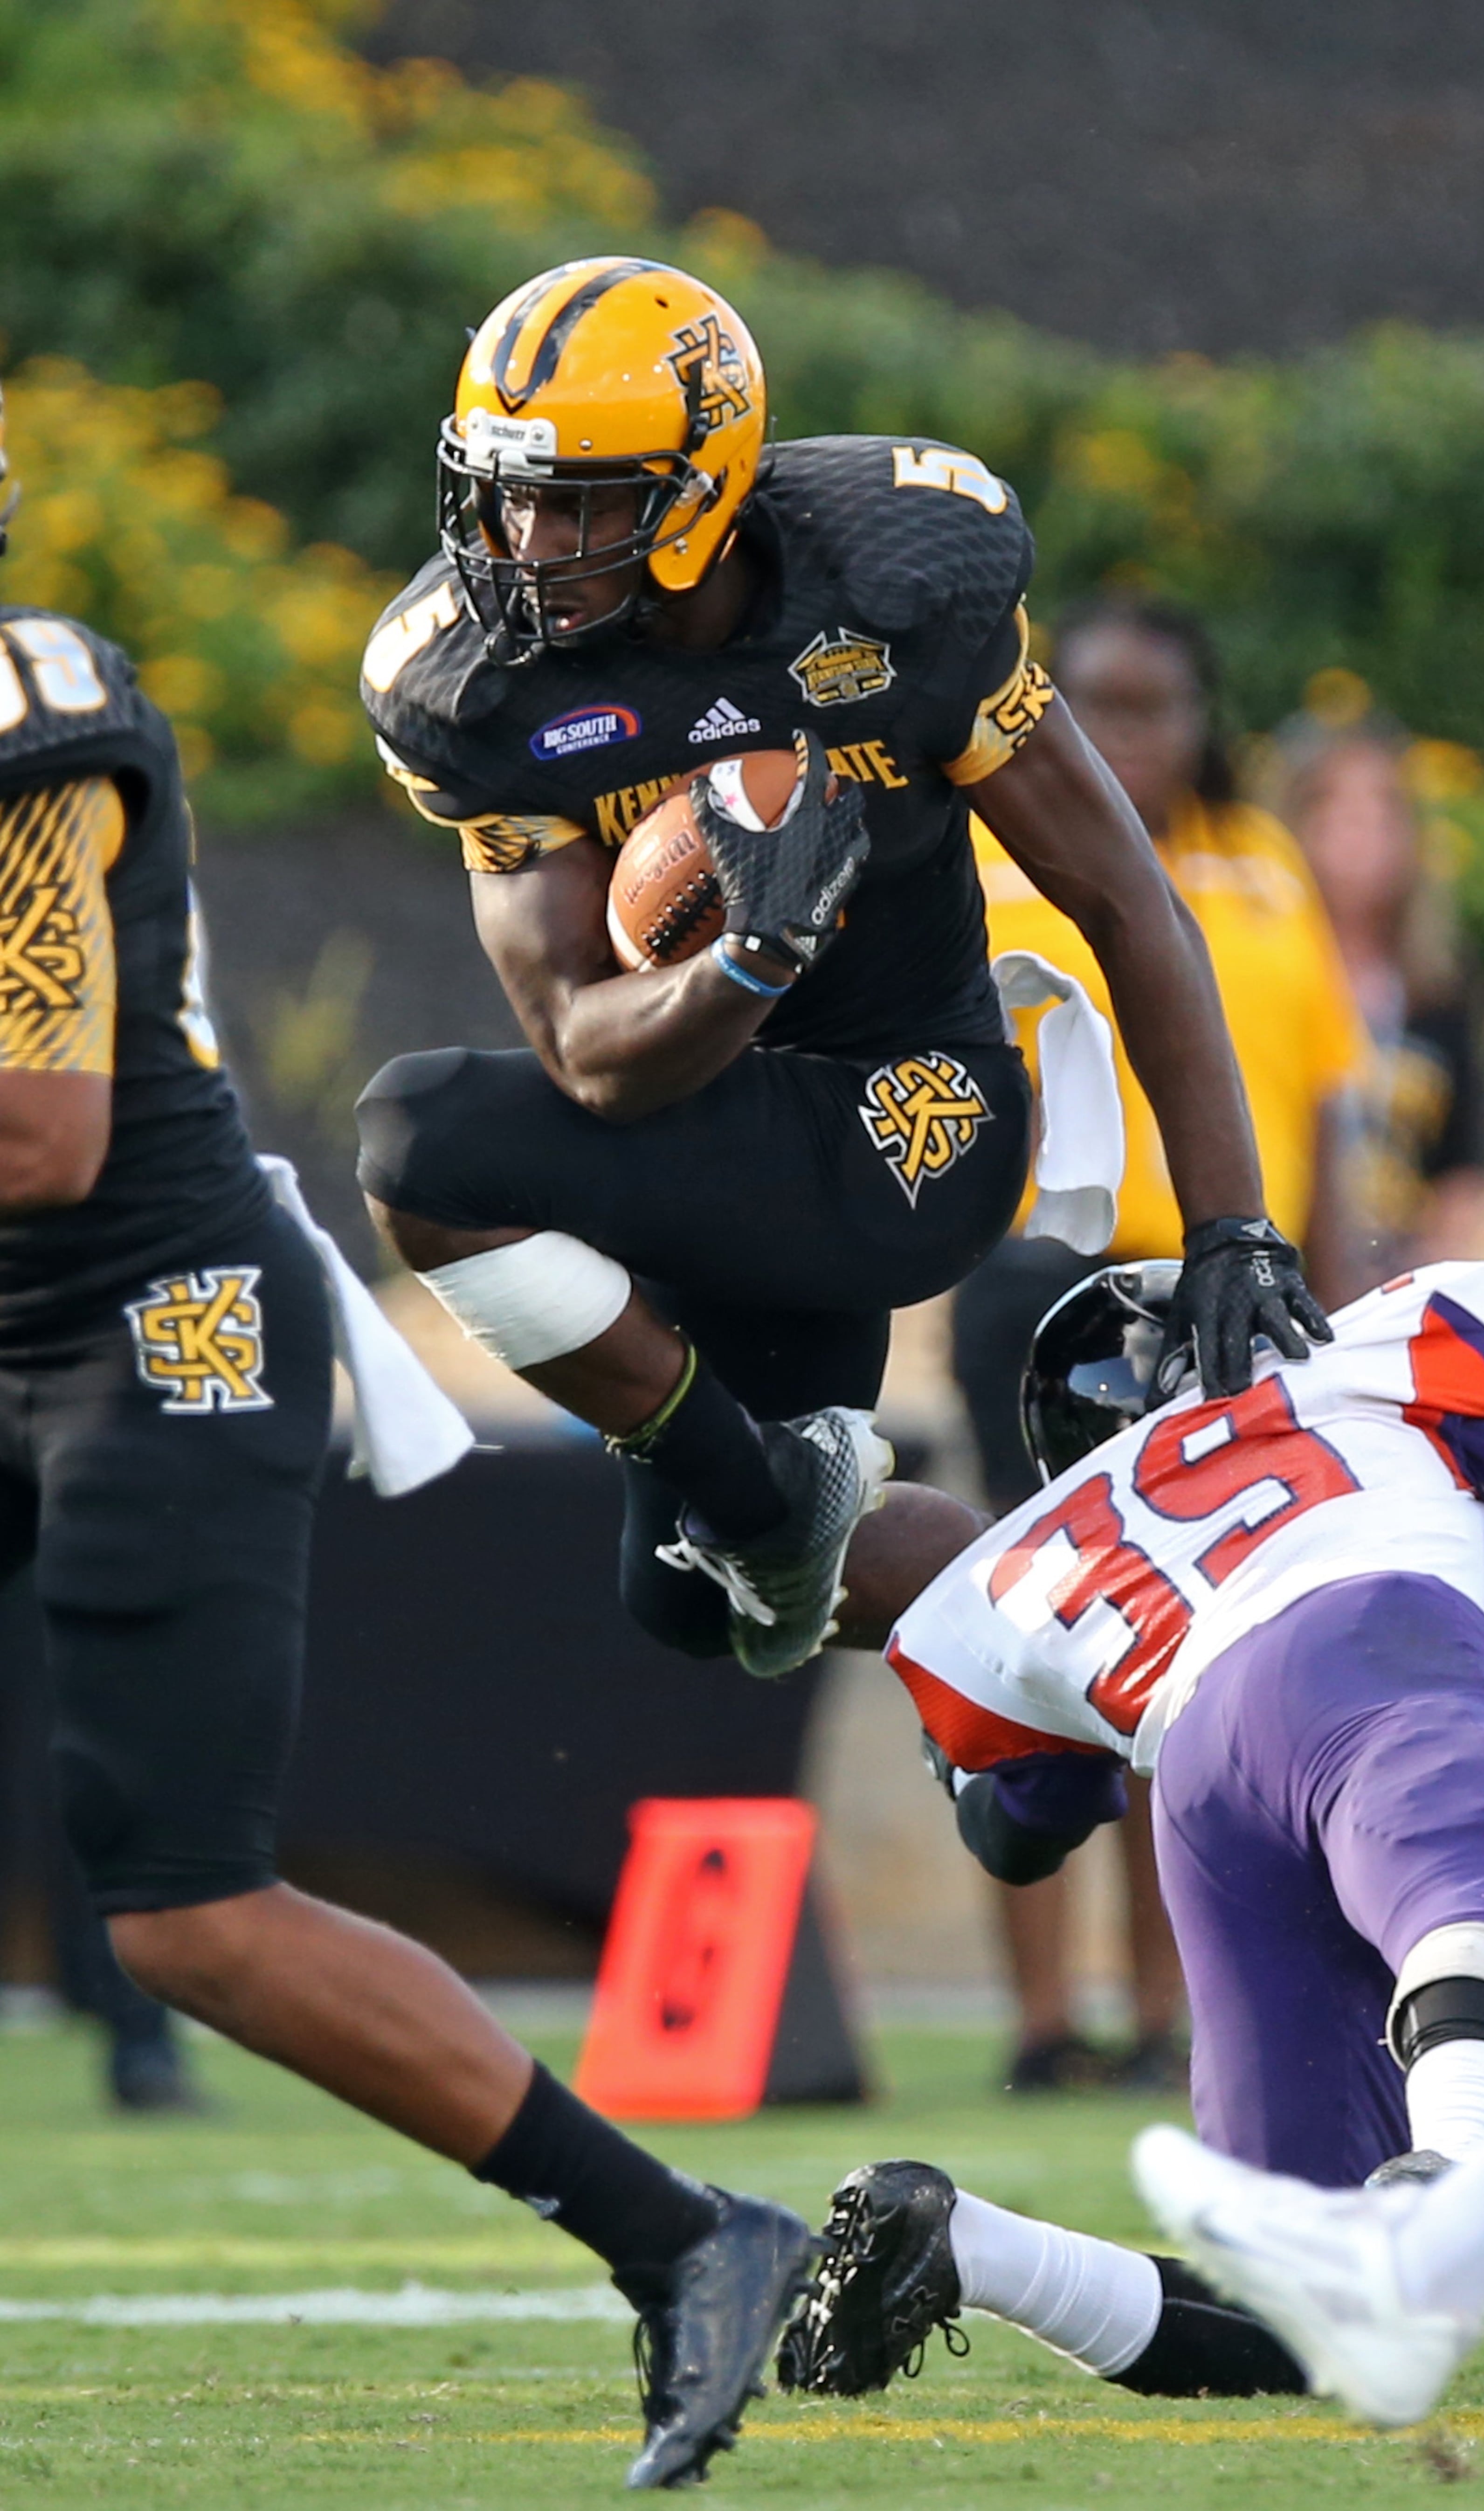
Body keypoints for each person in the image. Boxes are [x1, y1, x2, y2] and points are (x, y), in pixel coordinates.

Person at [0, 383, 811, 2492]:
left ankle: (682, 2234)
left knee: (183, 1909)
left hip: (135, 1328)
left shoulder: (28, 707)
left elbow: (40, 1128)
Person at [352, 258, 1327, 1684]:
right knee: (699, 1602)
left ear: (699, 491)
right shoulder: (483, 690)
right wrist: (749, 960)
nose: (527, 536)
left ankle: (770, 1500)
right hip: (710, 1125)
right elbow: (581, 1046)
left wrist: (1232, 1225)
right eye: (506, 492)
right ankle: (1085, 1644)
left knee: (422, 1140)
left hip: (907, 1121)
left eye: (580, 498)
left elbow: (1125, 900)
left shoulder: (893, 591)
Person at [777, 1255, 1484, 2403]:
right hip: (1359, 1643)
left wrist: (969, 1727)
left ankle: (961, 2246)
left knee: (1306, 2305)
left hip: (1197, 1784)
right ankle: (1468, 2169)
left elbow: (1019, 1840)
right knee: (1478, 1862)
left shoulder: (1055, 1553)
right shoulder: (1368, 1371)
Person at [956, 596, 1369, 2090]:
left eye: (1155, 707)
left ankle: (1161, 2002)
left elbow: (1319, 1101)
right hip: (1034, 1275)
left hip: (1224, 1290)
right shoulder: (990, 852)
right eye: (1099, 705)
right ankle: (1039, 2018)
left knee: (1190, 1658)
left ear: (1205, 719)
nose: (1126, 735)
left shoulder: (1263, 868)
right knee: (1030, 1638)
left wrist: (1324, 1284)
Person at [1264, 703, 1484, 1272]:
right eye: (1334, 807)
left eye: (1383, 809)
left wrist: (1437, 1267)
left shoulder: (1436, 992)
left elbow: (1463, 1167)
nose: (1361, 832)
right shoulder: (1262, 975)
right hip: (1278, 1266)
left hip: (1397, 1275)